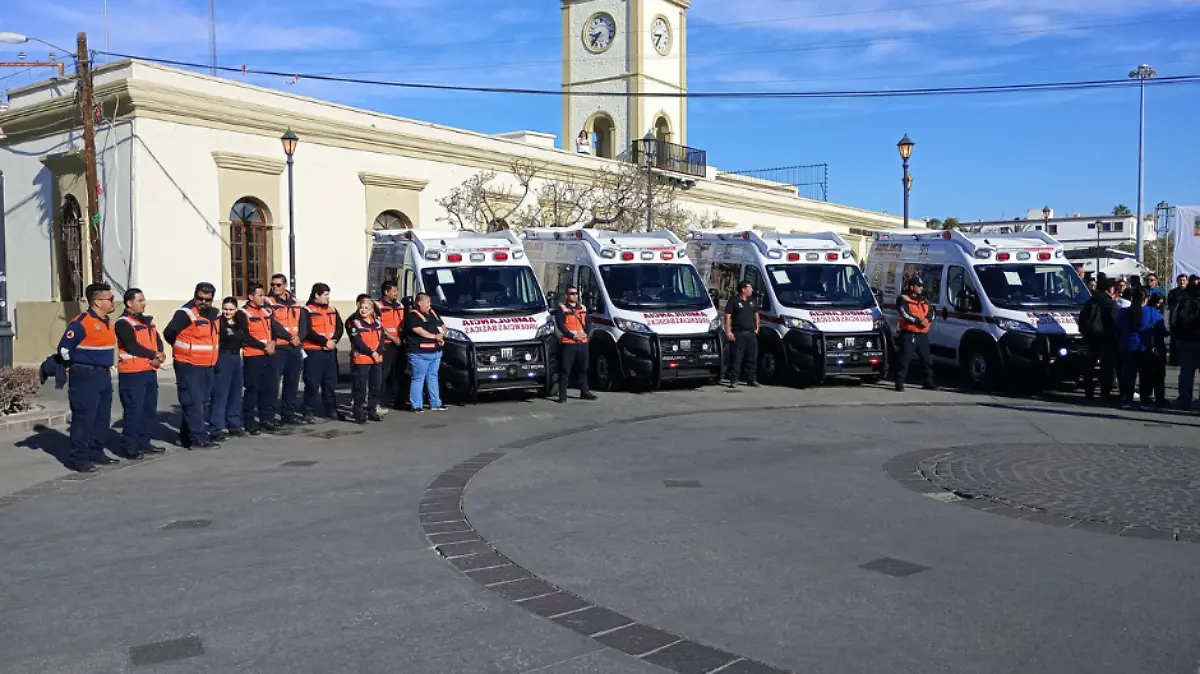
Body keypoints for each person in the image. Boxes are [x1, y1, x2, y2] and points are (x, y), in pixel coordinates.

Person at [58, 283, 119, 472]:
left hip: (103, 374)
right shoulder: (81, 322)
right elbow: (64, 349)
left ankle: (96, 452)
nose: (112, 302)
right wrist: (72, 366)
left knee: (102, 417)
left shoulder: (107, 321)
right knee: (84, 417)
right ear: (97, 301)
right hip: (85, 374)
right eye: (109, 299)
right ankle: (79, 458)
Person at [163, 282, 221, 449]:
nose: (203, 302)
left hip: (207, 363)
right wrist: (184, 351)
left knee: (202, 401)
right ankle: (198, 438)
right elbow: (169, 333)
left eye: (207, 300)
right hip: (189, 364)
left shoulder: (214, 314)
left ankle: (187, 436)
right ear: (195, 296)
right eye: (200, 298)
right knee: (193, 401)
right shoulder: (185, 314)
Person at [114, 287, 166, 459]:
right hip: (132, 373)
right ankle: (129, 444)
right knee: (134, 410)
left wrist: (160, 354)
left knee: (149, 410)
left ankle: (144, 442)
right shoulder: (123, 323)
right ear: (129, 303)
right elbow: (131, 346)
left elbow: (157, 340)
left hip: (149, 370)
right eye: (140, 301)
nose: (144, 304)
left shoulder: (147, 322)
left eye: (144, 300)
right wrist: (154, 355)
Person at [239, 285, 292, 435]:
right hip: (253, 356)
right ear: (251, 297)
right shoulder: (243, 313)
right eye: (260, 295)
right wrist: (263, 346)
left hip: (269, 354)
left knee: (268, 388)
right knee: (253, 389)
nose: (264, 298)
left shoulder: (266, 311)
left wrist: (273, 342)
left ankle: (266, 419)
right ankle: (249, 422)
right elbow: (245, 336)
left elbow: (273, 330)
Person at [299, 283, 344, 422]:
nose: (328, 298)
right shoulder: (307, 310)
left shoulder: (332, 310)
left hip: (330, 351)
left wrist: (334, 341)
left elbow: (339, 328)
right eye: (325, 295)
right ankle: (309, 410)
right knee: (312, 383)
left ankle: (330, 409)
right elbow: (307, 331)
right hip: (313, 352)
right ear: (316, 295)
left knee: (330, 382)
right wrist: (324, 342)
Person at [1116, 288, 1166, 408]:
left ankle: (1127, 398)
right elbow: (1161, 329)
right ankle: (1145, 399)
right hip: (1144, 346)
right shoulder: (1151, 311)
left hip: (1127, 345)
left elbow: (1117, 327)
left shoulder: (1123, 312)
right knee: (1145, 375)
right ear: (1146, 299)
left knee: (1128, 374)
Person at [267, 273, 304, 425]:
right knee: (273, 383)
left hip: (294, 347)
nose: (275, 287)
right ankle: (268, 416)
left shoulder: (294, 301)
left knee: (292, 381)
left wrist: (299, 337)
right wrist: (290, 337)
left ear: (285, 285)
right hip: (280, 346)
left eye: (278, 285)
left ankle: (288, 414)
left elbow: (303, 321)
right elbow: (273, 323)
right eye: (273, 285)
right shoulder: (268, 302)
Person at [210, 297, 249, 439]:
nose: (227, 312)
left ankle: (234, 424)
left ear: (236, 309)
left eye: (231, 309)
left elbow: (246, 338)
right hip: (223, 357)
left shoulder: (239, 322)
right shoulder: (218, 322)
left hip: (236, 358)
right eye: (225, 309)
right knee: (221, 393)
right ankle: (217, 426)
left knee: (236, 392)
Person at [405, 292, 447, 413]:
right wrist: (435, 337)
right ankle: (416, 405)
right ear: (419, 303)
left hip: (435, 352)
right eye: (427, 301)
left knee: (433, 377)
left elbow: (442, 326)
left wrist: (441, 336)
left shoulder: (433, 313)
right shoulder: (413, 316)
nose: (430, 304)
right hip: (420, 353)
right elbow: (419, 330)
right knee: (418, 378)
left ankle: (436, 403)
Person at [347, 294, 386, 423]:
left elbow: (381, 340)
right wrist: (371, 352)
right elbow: (358, 342)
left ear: (372, 310)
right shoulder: (355, 323)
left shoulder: (378, 323)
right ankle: (358, 413)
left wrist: (378, 352)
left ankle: (372, 410)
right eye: (361, 308)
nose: (363, 310)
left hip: (376, 359)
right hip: (362, 359)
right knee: (360, 388)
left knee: (376, 387)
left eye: (366, 308)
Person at [1080, 280, 1120, 402]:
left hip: (1091, 337)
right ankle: (1105, 391)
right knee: (1107, 366)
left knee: (1090, 365)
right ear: (1109, 289)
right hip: (1107, 338)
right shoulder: (1111, 304)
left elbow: (1082, 320)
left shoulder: (1090, 302)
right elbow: (1115, 322)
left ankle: (1088, 389)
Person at [894, 276, 937, 392]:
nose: (921, 288)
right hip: (909, 334)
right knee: (905, 359)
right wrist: (919, 321)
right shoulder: (903, 299)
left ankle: (928, 381)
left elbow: (932, 312)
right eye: (919, 286)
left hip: (922, 335)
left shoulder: (924, 299)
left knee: (927, 360)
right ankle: (899, 382)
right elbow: (905, 313)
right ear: (912, 287)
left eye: (922, 286)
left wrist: (927, 320)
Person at [555, 286, 597, 403]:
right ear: (566, 296)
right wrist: (572, 336)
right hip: (569, 343)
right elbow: (561, 326)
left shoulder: (583, 308)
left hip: (582, 342)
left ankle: (585, 391)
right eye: (571, 293)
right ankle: (562, 395)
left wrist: (586, 335)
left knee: (583, 368)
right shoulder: (562, 309)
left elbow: (588, 323)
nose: (574, 296)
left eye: (576, 293)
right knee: (565, 370)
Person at [724, 281, 760, 388]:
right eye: (750, 288)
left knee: (752, 357)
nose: (752, 290)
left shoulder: (752, 301)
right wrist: (729, 331)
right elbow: (728, 316)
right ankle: (734, 379)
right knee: (737, 358)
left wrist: (757, 328)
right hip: (739, 334)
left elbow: (756, 315)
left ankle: (751, 379)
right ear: (743, 289)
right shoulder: (734, 301)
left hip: (751, 334)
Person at [1172, 277, 1200, 410]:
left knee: (1186, 373)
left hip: (1186, 341)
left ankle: (1184, 399)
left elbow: (1174, 320)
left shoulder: (1183, 302)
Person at [378, 281, 405, 411]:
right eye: (394, 291)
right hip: (387, 344)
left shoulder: (400, 305)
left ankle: (399, 400)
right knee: (384, 373)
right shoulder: (378, 306)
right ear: (386, 292)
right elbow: (378, 326)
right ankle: (382, 400)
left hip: (399, 344)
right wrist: (392, 337)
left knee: (399, 373)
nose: (396, 293)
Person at [1146, 293, 1169, 407]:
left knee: (1147, 372)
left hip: (1146, 345)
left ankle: (1147, 396)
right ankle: (1159, 397)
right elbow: (1162, 331)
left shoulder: (1144, 310)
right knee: (1159, 373)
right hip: (1157, 345)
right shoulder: (1156, 314)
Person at [1167, 274, 1189, 366]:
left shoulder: (1189, 292)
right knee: (1174, 340)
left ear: (1187, 281)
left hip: (1187, 321)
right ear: (1177, 281)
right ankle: (1174, 360)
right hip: (1175, 320)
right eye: (1180, 280)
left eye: (1184, 280)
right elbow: (1170, 304)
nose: (1182, 282)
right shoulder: (1173, 292)